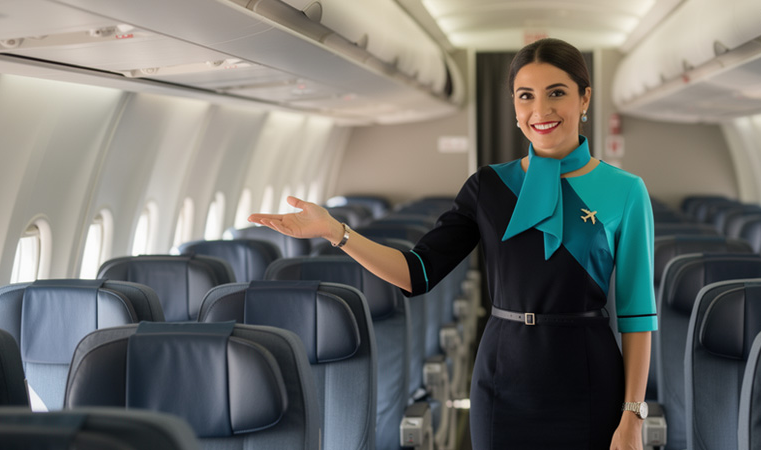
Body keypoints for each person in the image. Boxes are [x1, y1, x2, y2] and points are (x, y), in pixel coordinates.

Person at [249, 38, 656, 450]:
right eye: (525, 96)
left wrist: (633, 417)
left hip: (588, 379)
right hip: (503, 377)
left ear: (584, 99)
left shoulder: (625, 191)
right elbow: (416, 272)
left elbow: (637, 316)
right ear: (514, 109)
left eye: (557, 93)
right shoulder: (489, 187)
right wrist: (336, 232)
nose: (541, 110)